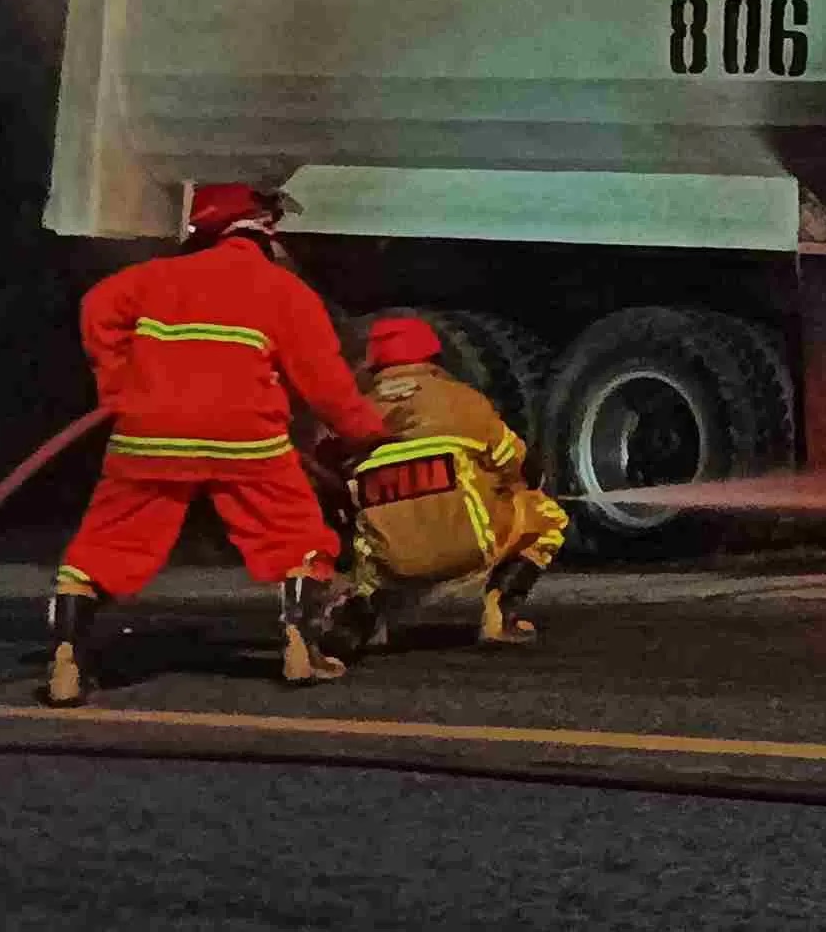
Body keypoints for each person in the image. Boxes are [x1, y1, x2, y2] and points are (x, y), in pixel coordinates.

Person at [44, 182, 388, 707]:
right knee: (296, 536)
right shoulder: (284, 290)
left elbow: (96, 309)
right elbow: (325, 383)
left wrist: (119, 386)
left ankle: (67, 660)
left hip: (148, 434)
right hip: (245, 438)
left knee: (107, 544)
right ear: (263, 231)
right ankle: (301, 645)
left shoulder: (150, 278)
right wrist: (365, 431)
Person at [332, 314, 569, 653]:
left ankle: (365, 617)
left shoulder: (356, 414)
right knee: (546, 515)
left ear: (375, 364)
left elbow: (336, 489)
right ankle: (499, 615)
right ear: (434, 356)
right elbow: (516, 466)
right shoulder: (465, 402)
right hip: (470, 547)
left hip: (394, 562)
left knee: (365, 536)